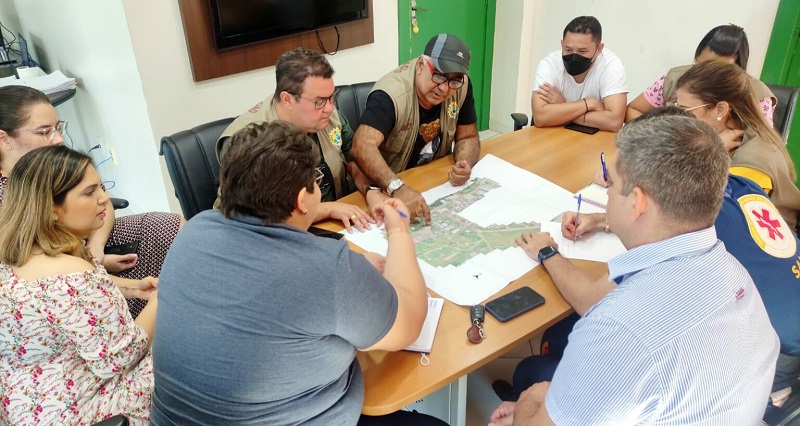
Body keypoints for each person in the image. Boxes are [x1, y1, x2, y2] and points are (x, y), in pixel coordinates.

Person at [490, 114, 779, 424]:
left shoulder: (617, 326)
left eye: (612, 184)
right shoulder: (736, 272)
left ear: (638, 202)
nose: (607, 194)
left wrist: (532, 400)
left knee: (530, 376)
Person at [151, 121, 442, 425]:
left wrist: (351, 275)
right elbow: (409, 322)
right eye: (317, 180)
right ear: (302, 200)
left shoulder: (192, 230)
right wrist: (398, 229)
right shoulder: (329, 270)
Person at [0, 146, 157, 425]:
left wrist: (133, 289)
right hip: (84, 411)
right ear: (51, 208)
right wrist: (161, 301)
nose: (104, 198)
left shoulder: (14, 259)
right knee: (188, 348)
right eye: (89, 192)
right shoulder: (73, 273)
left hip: (29, 409)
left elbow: (66, 306)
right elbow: (122, 356)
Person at [0, 85, 183, 318]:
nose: (58, 139)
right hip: (58, 259)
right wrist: (93, 265)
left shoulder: (56, 161)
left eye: (58, 128)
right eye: (44, 132)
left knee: (171, 226)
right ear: (4, 138)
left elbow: (103, 202)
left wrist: (96, 249)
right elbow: (40, 263)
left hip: (87, 244)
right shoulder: (19, 207)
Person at [216, 47, 378, 233]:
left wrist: (371, 190)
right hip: (277, 236)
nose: (329, 108)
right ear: (287, 99)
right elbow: (253, 217)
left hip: (336, 223)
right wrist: (327, 209)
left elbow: (354, 160)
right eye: (319, 101)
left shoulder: (328, 116)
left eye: (332, 97)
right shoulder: (249, 141)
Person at [352, 33, 481, 224]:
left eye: (454, 80)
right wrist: (397, 188)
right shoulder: (390, 95)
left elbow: (467, 137)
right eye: (439, 76)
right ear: (421, 65)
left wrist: (464, 164)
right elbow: (361, 146)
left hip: (433, 181)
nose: (445, 89)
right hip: (389, 189)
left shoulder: (461, 87)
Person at [675, 60, 800, 231]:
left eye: (685, 110)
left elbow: (703, 217)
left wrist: (709, 154)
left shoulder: (750, 163)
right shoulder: (723, 134)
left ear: (720, 109)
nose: (679, 118)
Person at [626, 24, 776, 124]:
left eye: (717, 70)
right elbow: (633, 110)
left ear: (738, 69)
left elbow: (764, 146)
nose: (705, 74)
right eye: (701, 64)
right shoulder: (675, 78)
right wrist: (658, 135)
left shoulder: (757, 96)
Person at [530, 16, 628, 132]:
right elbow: (540, 117)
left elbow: (614, 122)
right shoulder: (549, 64)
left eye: (582, 51)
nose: (573, 57)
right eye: (568, 49)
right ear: (562, 44)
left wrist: (563, 105)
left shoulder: (611, 66)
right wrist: (588, 104)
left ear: (599, 49)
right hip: (552, 135)